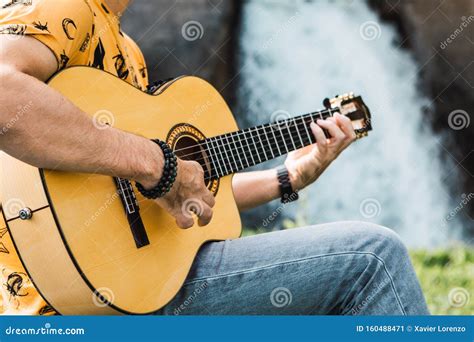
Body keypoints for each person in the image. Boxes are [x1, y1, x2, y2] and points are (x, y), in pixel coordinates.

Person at [0, 0, 429, 315]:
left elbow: (170, 198)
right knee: (373, 258)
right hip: (55, 304)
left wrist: (289, 176)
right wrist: (158, 165)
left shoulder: (126, 49)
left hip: (127, 288)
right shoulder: (64, 6)